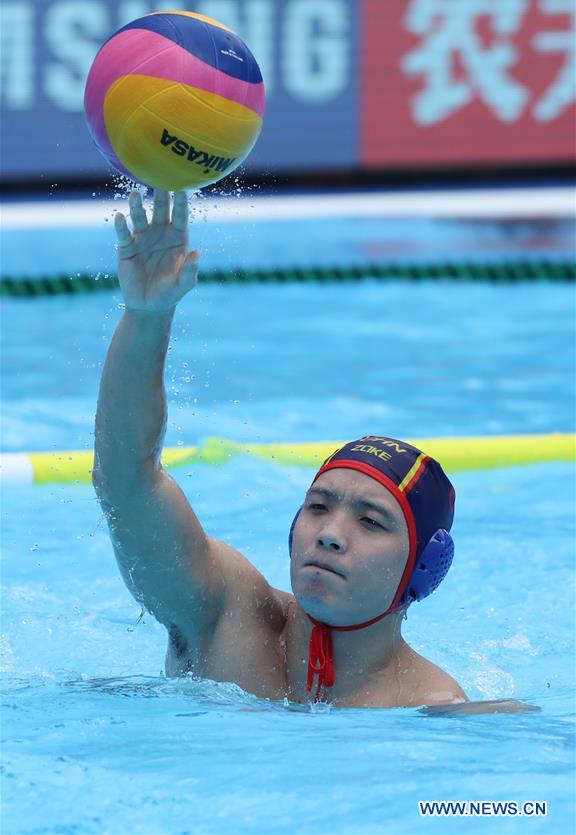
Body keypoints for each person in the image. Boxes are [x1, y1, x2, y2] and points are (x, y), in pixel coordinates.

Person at [92, 190, 531, 713]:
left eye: (371, 522)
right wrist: (147, 317)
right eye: (319, 506)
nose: (329, 535)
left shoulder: (430, 707)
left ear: (423, 568)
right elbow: (125, 479)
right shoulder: (224, 614)